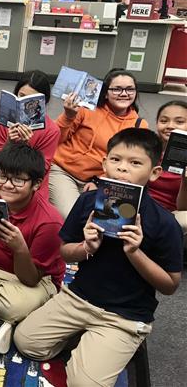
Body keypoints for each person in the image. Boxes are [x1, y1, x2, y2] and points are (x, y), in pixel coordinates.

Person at [14, 128, 183, 387]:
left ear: (154, 173)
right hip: (78, 297)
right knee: (26, 343)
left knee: (84, 384)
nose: (122, 169)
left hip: (123, 316)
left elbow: (170, 285)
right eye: (115, 160)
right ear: (104, 164)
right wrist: (86, 247)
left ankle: (103, 345)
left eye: (135, 163)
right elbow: (64, 250)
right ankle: (86, 342)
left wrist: (134, 252)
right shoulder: (88, 202)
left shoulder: (164, 223)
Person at [0, 143, 64, 354]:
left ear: (36, 183)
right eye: (2, 176)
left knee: (13, 306)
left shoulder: (49, 222)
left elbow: (31, 279)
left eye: (18, 179)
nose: (6, 185)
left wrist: (20, 248)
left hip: (32, 280)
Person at [50, 68, 148, 218]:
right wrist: (68, 116)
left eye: (129, 89)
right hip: (65, 171)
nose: (124, 93)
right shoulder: (86, 109)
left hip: (104, 180)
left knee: (103, 218)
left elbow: (128, 163)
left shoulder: (139, 125)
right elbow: (55, 138)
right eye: (116, 89)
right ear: (106, 93)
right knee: (71, 215)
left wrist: (100, 181)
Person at [0, 70, 60, 198]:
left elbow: (41, 170)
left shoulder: (52, 130)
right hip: (5, 178)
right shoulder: (7, 120)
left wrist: (24, 145)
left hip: (32, 186)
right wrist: (10, 143)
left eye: (33, 101)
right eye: (21, 96)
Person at [149, 100, 187, 243]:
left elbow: (183, 208)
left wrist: (185, 180)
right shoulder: (148, 147)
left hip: (173, 213)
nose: (170, 126)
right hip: (142, 206)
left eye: (179, 121)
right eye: (164, 120)